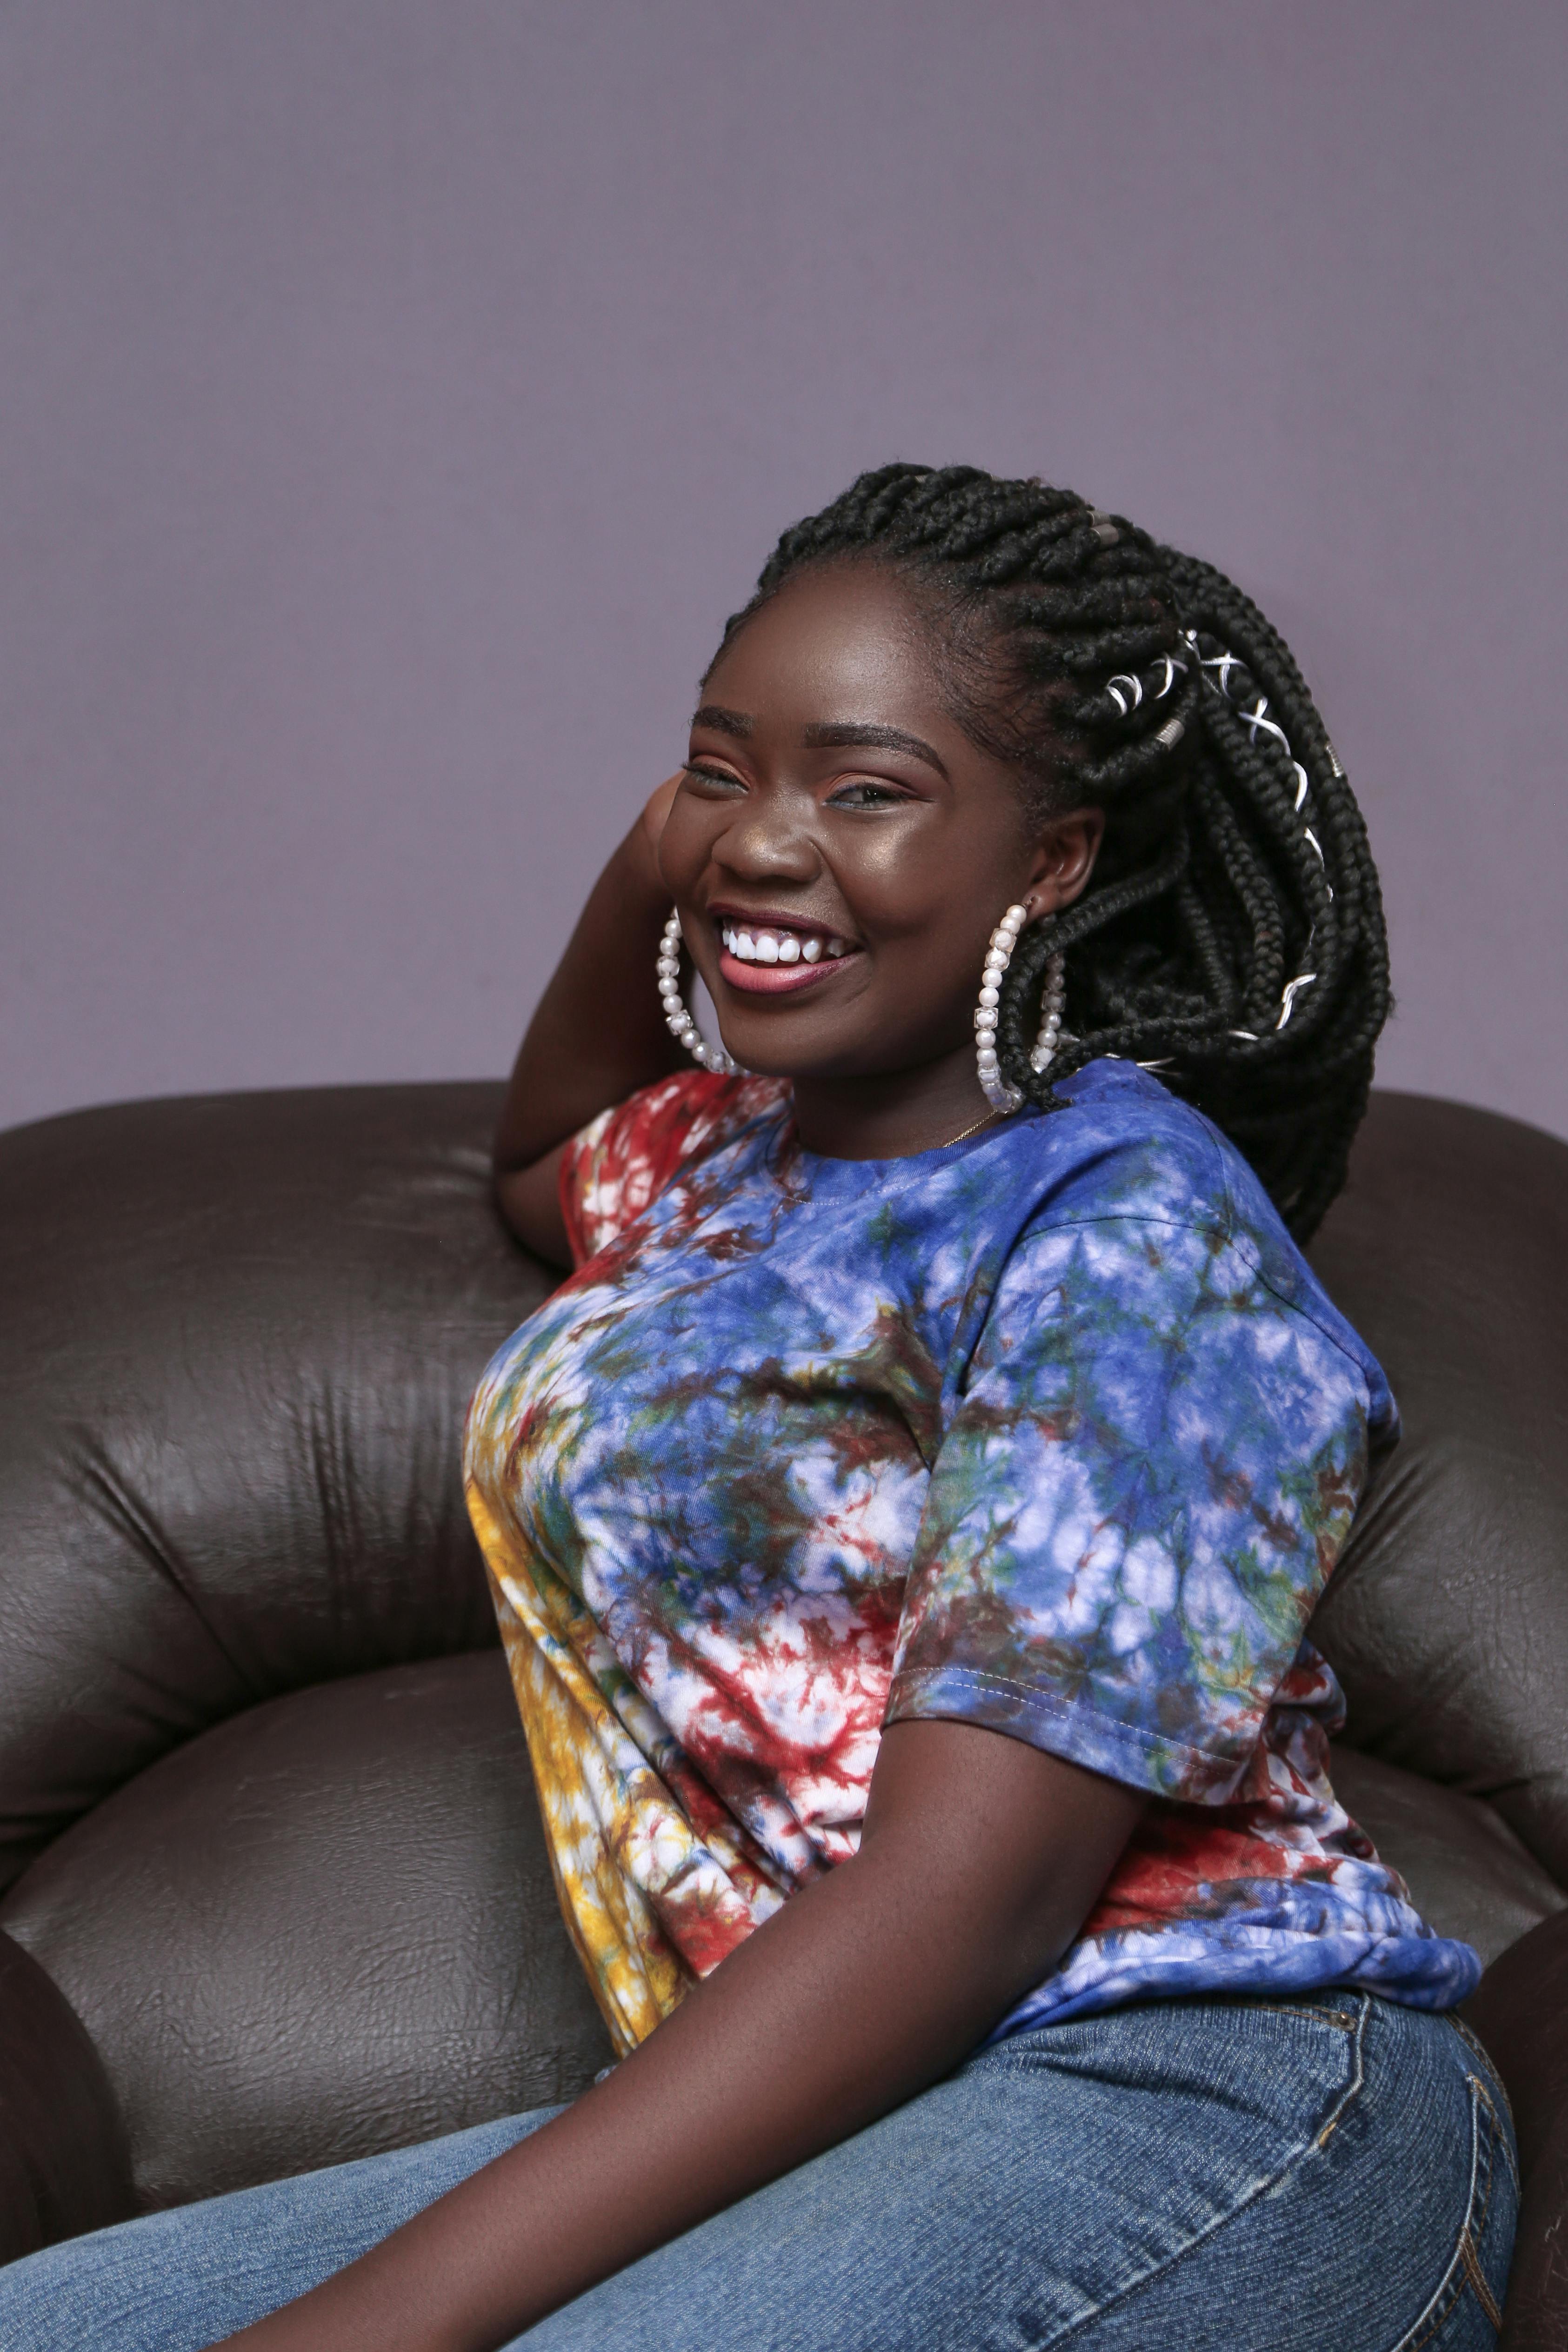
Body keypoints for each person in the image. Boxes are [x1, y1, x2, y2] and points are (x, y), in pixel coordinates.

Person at [0, 465, 1517, 2351]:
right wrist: (704, 839)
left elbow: (967, 1911)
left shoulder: (1131, 1226)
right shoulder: (723, 1171)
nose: (765, 841)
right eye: (723, 766)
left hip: (1204, 2094)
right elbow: (545, 1150)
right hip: (860, 2124)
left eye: (867, 787)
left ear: (1052, 857)